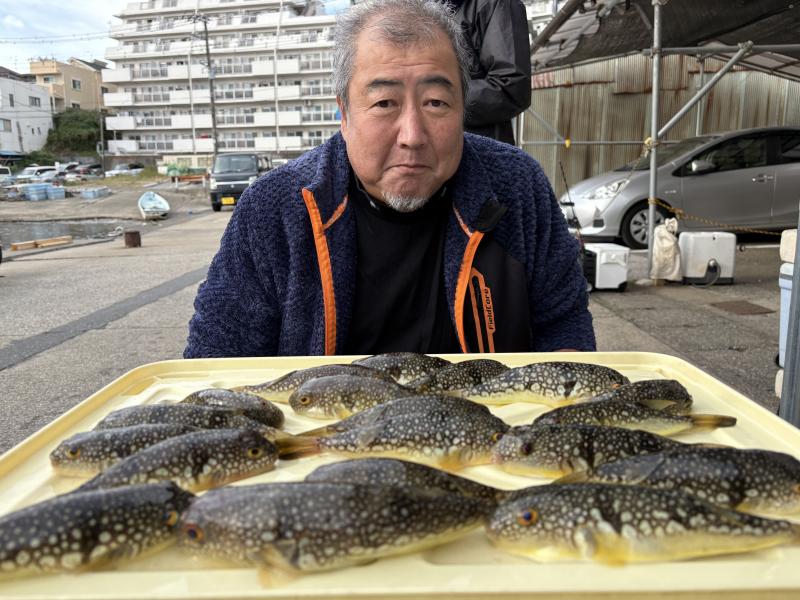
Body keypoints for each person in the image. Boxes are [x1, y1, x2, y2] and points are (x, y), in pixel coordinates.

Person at [184, 0, 594, 359]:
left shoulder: (517, 187)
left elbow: (564, 326)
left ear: (463, 108)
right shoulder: (275, 209)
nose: (413, 136)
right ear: (344, 113)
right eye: (384, 103)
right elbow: (215, 363)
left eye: (436, 102)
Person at [444, 0, 532, 145]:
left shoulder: (497, 4)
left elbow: (511, 88)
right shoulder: (423, 10)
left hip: (480, 151)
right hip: (439, 147)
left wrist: (441, 97)